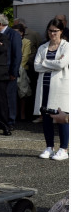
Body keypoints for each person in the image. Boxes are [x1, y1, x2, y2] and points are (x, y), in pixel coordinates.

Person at [34, 18, 69, 161]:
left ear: (61, 31)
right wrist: (53, 63)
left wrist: (45, 62)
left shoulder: (66, 46)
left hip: (60, 86)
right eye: (50, 30)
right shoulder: (43, 47)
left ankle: (63, 148)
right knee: (46, 116)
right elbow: (36, 66)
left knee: (61, 117)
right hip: (45, 85)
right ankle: (49, 146)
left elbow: (62, 63)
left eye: (55, 31)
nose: (52, 33)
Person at [0, 13, 22, 128]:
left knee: (9, 97)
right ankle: (1, 120)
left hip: (9, 72)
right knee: (1, 98)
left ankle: (10, 120)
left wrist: (13, 72)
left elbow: (17, 55)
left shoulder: (13, 34)